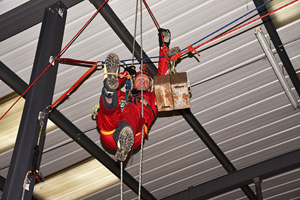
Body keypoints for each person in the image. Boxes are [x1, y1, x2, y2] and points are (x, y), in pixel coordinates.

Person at [96, 28, 176, 161]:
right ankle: (109, 91)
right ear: (132, 82)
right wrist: (125, 75)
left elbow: (162, 75)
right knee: (111, 102)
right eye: (139, 79)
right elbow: (119, 84)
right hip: (109, 131)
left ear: (150, 86)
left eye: (146, 81)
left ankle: (125, 137)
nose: (142, 82)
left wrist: (164, 47)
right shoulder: (123, 94)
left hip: (134, 133)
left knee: (131, 108)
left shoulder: (152, 98)